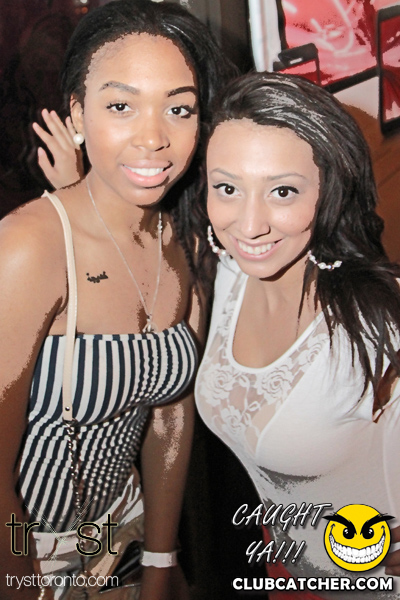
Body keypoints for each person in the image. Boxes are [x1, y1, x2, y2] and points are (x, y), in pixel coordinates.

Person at [0, 2, 235, 599]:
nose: (154, 138)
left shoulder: (184, 242)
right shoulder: (30, 248)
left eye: (178, 108)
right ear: (78, 113)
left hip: (123, 532)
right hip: (29, 548)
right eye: (121, 106)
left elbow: (169, 415)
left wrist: (159, 557)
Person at [195, 72, 400, 598]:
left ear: (330, 190)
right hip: (282, 568)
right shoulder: (229, 272)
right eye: (227, 188)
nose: (249, 225)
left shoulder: (379, 322)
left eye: (282, 191)